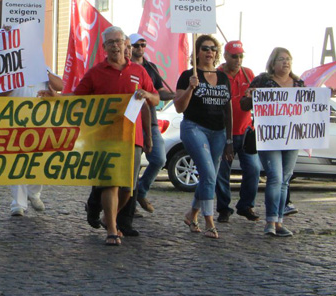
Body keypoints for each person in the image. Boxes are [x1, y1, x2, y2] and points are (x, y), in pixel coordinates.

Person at [70, 26, 157, 245]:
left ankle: (108, 216)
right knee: (111, 183)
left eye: (118, 41)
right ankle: (111, 228)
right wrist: (54, 97)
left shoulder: (139, 71)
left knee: (128, 188)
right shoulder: (96, 72)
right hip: (105, 137)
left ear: (124, 44)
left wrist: (147, 96)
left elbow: (153, 100)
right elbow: (75, 99)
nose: (115, 46)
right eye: (111, 43)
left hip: (132, 137)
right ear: (104, 48)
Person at [240, 47, 312, 237]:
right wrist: (251, 96)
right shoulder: (263, 81)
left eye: (289, 59)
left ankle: (279, 221)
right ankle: (270, 221)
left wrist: (327, 94)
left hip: (292, 137)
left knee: (285, 180)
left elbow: (309, 107)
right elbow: (244, 105)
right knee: (275, 177)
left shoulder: (298, 84)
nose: (286, 62)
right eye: (281, 59)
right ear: (273, 63)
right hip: (269, 136)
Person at [174, 34, 233, 240]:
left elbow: (228, 110)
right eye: (205, 48)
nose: (210, 52)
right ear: (197, 52)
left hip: (219, 132)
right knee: (208, 174)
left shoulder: (223, 78)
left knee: (211, 177)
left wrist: (229, 140)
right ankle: (209, 221)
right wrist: (191, 87)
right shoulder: (187, 76)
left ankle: (192, 214)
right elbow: (180, 107)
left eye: (213, 49)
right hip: (194, 128)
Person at [215, 40, 260, 223]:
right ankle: (224, 208)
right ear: (225, 56)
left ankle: (245, 205)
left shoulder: (248, 74)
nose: (238, 60)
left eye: (241, 56)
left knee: (254, 169)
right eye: (234, 56)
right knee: (222, 173)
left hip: (245, 131)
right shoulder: (217, 74)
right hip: (223, 132)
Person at [7, 70, 64, 217]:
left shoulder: (43, 67)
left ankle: (34, 193)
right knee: (17, 162)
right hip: (15, 121)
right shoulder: (11, 67)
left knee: (39, 160)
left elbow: (60, 86)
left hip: (41, 121)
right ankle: (18, 203)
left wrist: (44, 72)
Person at [130, 33, 175, 215]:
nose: (140, 49)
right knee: (131, 167)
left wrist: (175, 95)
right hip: (132, 120)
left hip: (151, 120)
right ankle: (129, 206)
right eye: (136, 45)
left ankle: (141, 190)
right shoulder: (126, 67)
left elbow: (159, 93)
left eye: (143, 45)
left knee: (159, 159)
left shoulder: (150, 67)